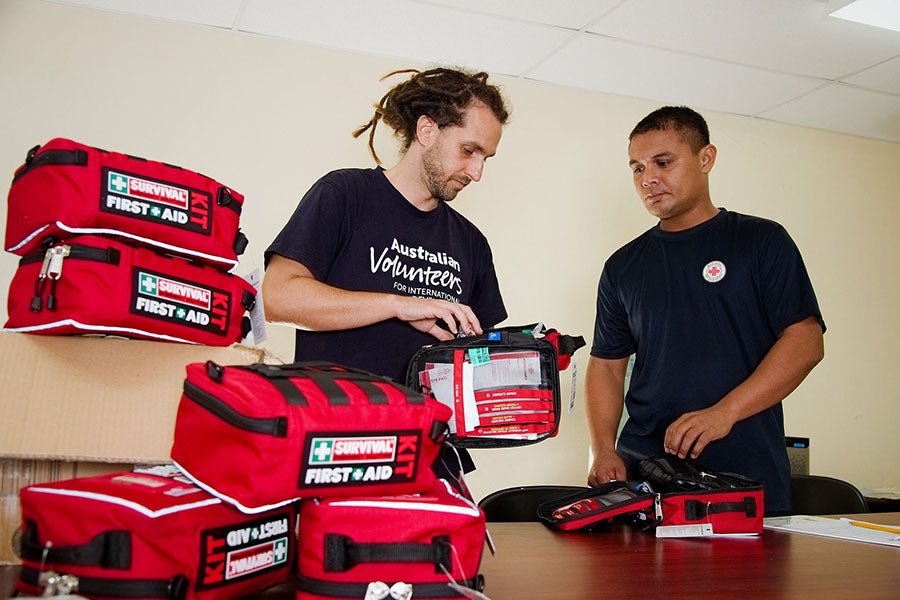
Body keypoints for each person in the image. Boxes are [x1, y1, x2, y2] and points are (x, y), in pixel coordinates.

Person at [585, 106, 825, 515]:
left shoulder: (761, 240)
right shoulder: (622, 266)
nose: (649, 179)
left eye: (663, 162)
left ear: (706, 158)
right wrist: (603, 450)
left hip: (743, 468)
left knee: (747, 582)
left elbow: (805, 342)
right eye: (638, 168)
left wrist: (723, 414)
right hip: (645, 472)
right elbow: (607, 366)